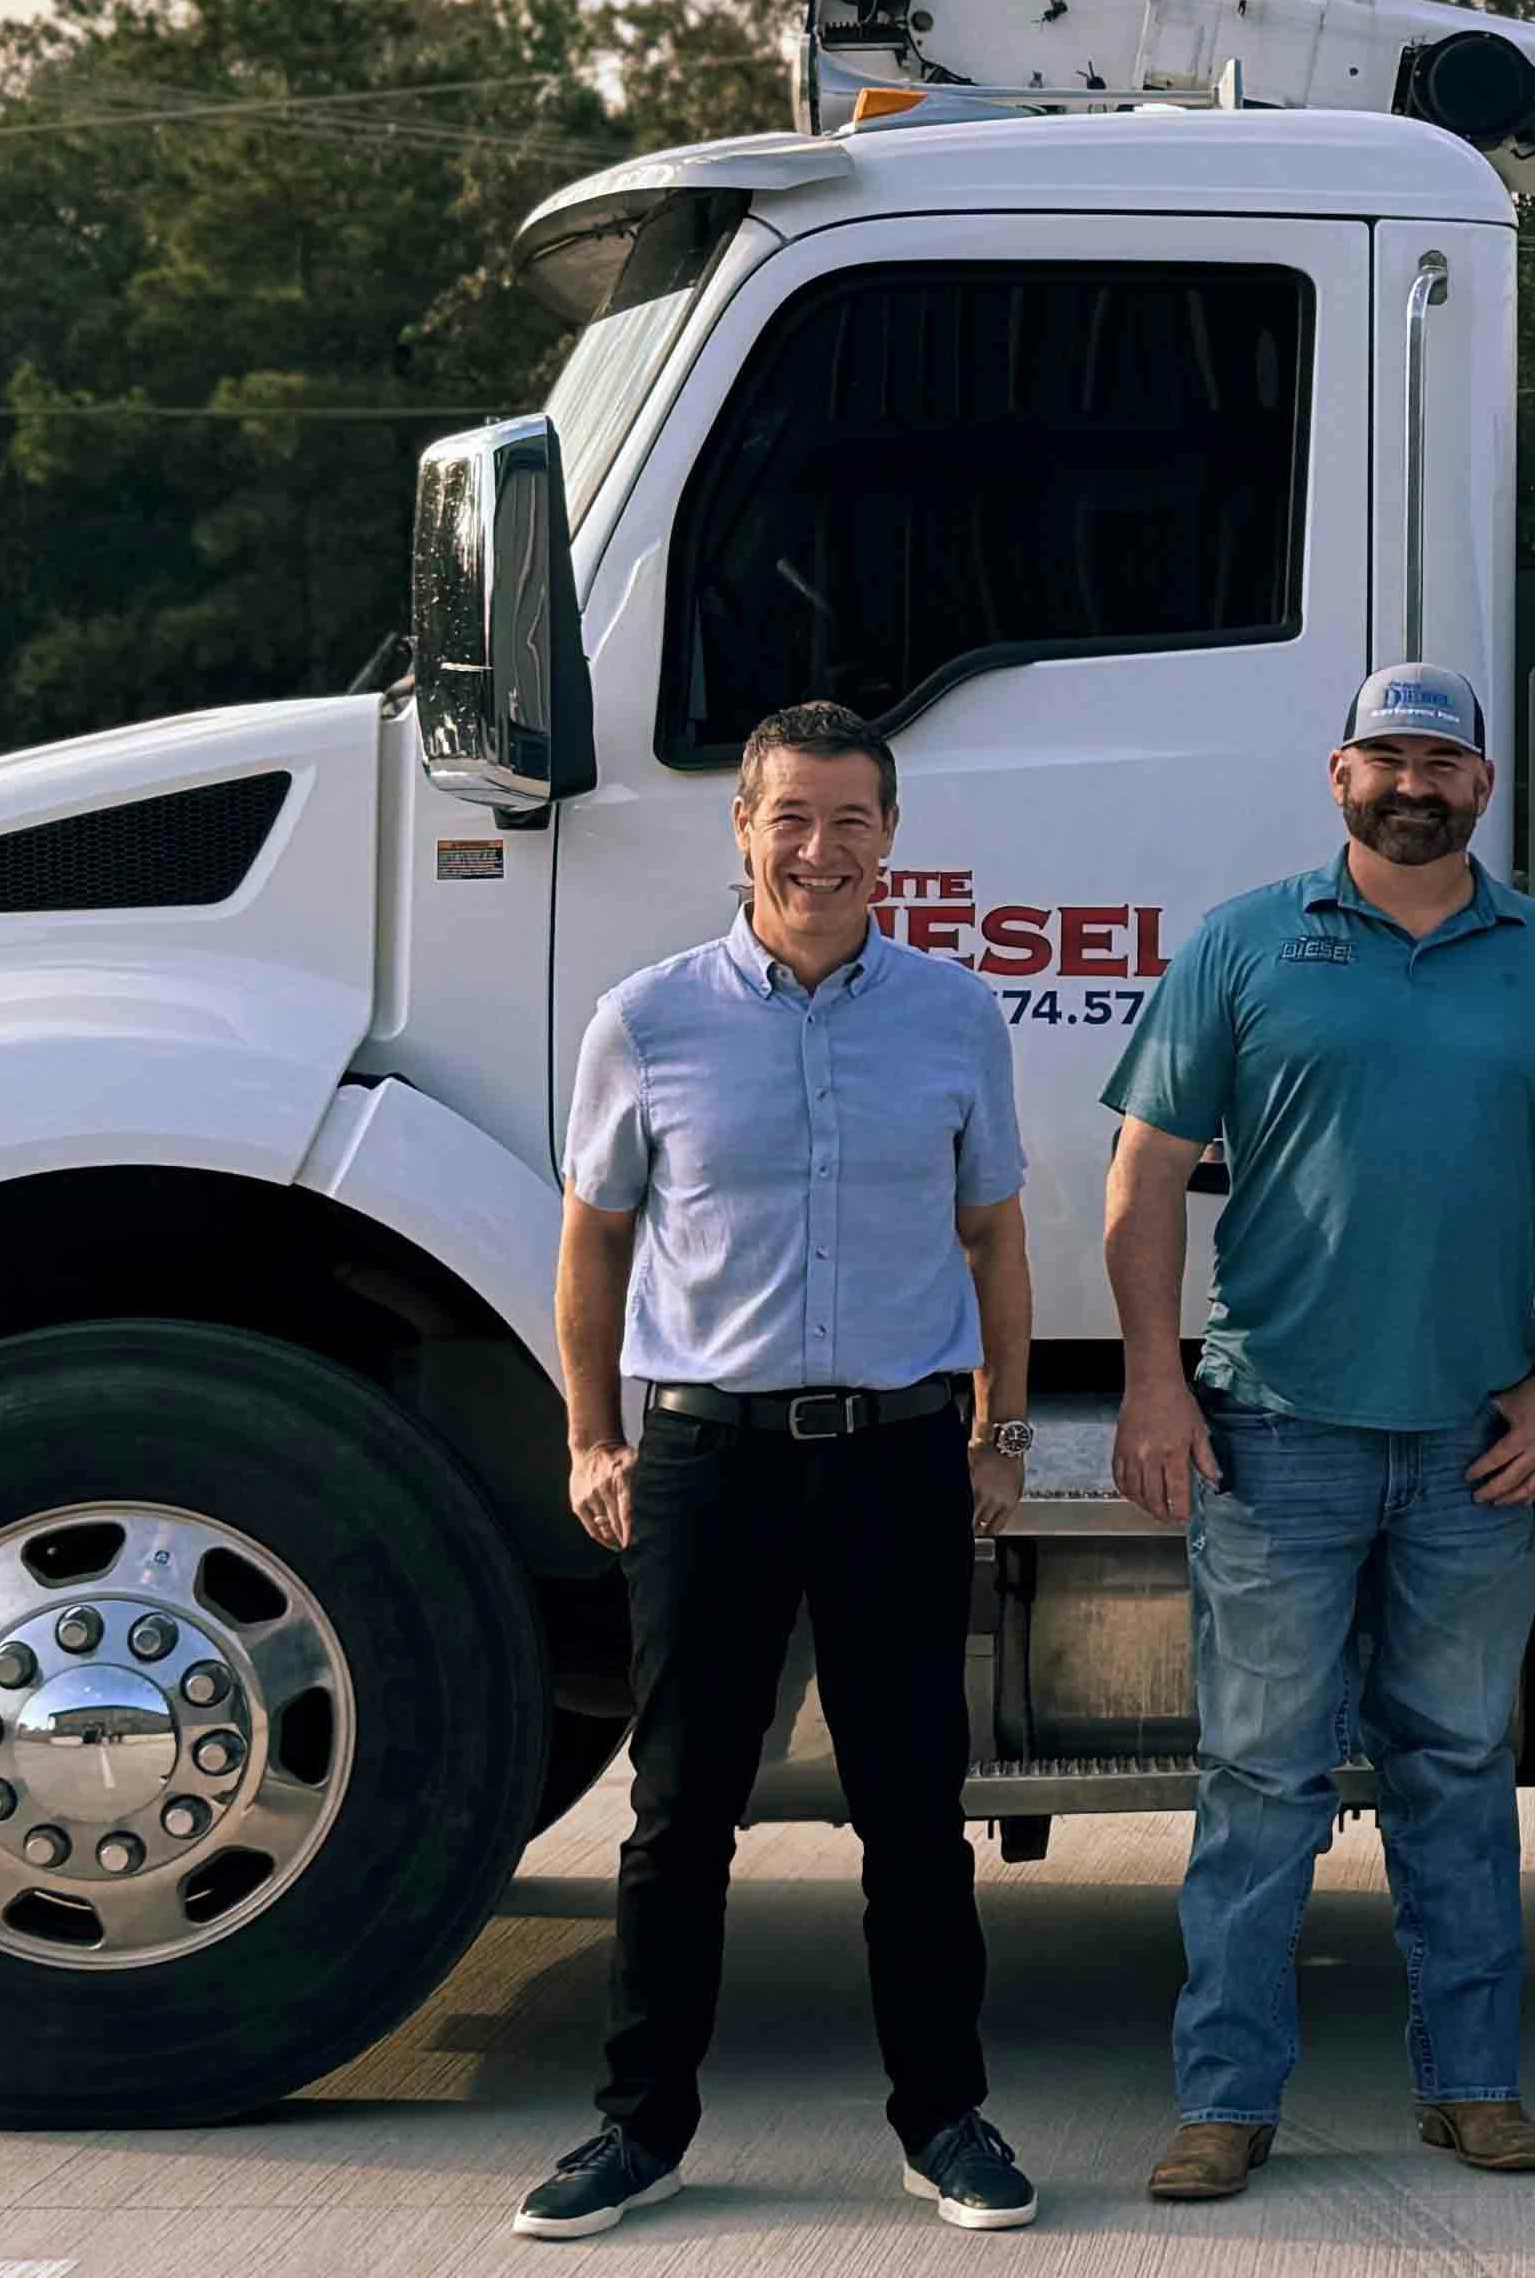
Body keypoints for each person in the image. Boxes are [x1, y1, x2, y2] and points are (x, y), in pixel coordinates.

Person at [1098, 662, 1535, 2204]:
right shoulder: (1245, 942)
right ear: (1340, 774)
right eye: (1387, 755)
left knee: (1460, 1768)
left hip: (1481, 1442)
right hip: (1278, 1432)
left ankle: (1473, 2087)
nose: (1416, 782)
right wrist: (1153, 1380)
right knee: (1259, 1781)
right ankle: (1225, 2102)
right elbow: (1144, 1180)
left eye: (1443, 761)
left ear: (1483, 787)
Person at [519, 701, 1040, 2242]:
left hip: (895, 1464)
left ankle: (945, 2122)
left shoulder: (954, 1018)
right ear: (741, 831)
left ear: (891, 838)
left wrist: (1001, 1433)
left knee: (912, 1815)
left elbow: (995, 1235)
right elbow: (594, 1237)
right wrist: (591, 1436)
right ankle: (639, 2130)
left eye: (851, 821)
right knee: (683, 1813)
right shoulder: (649, 1020)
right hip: (708, 1460)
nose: (820, 850)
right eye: (789, 819)